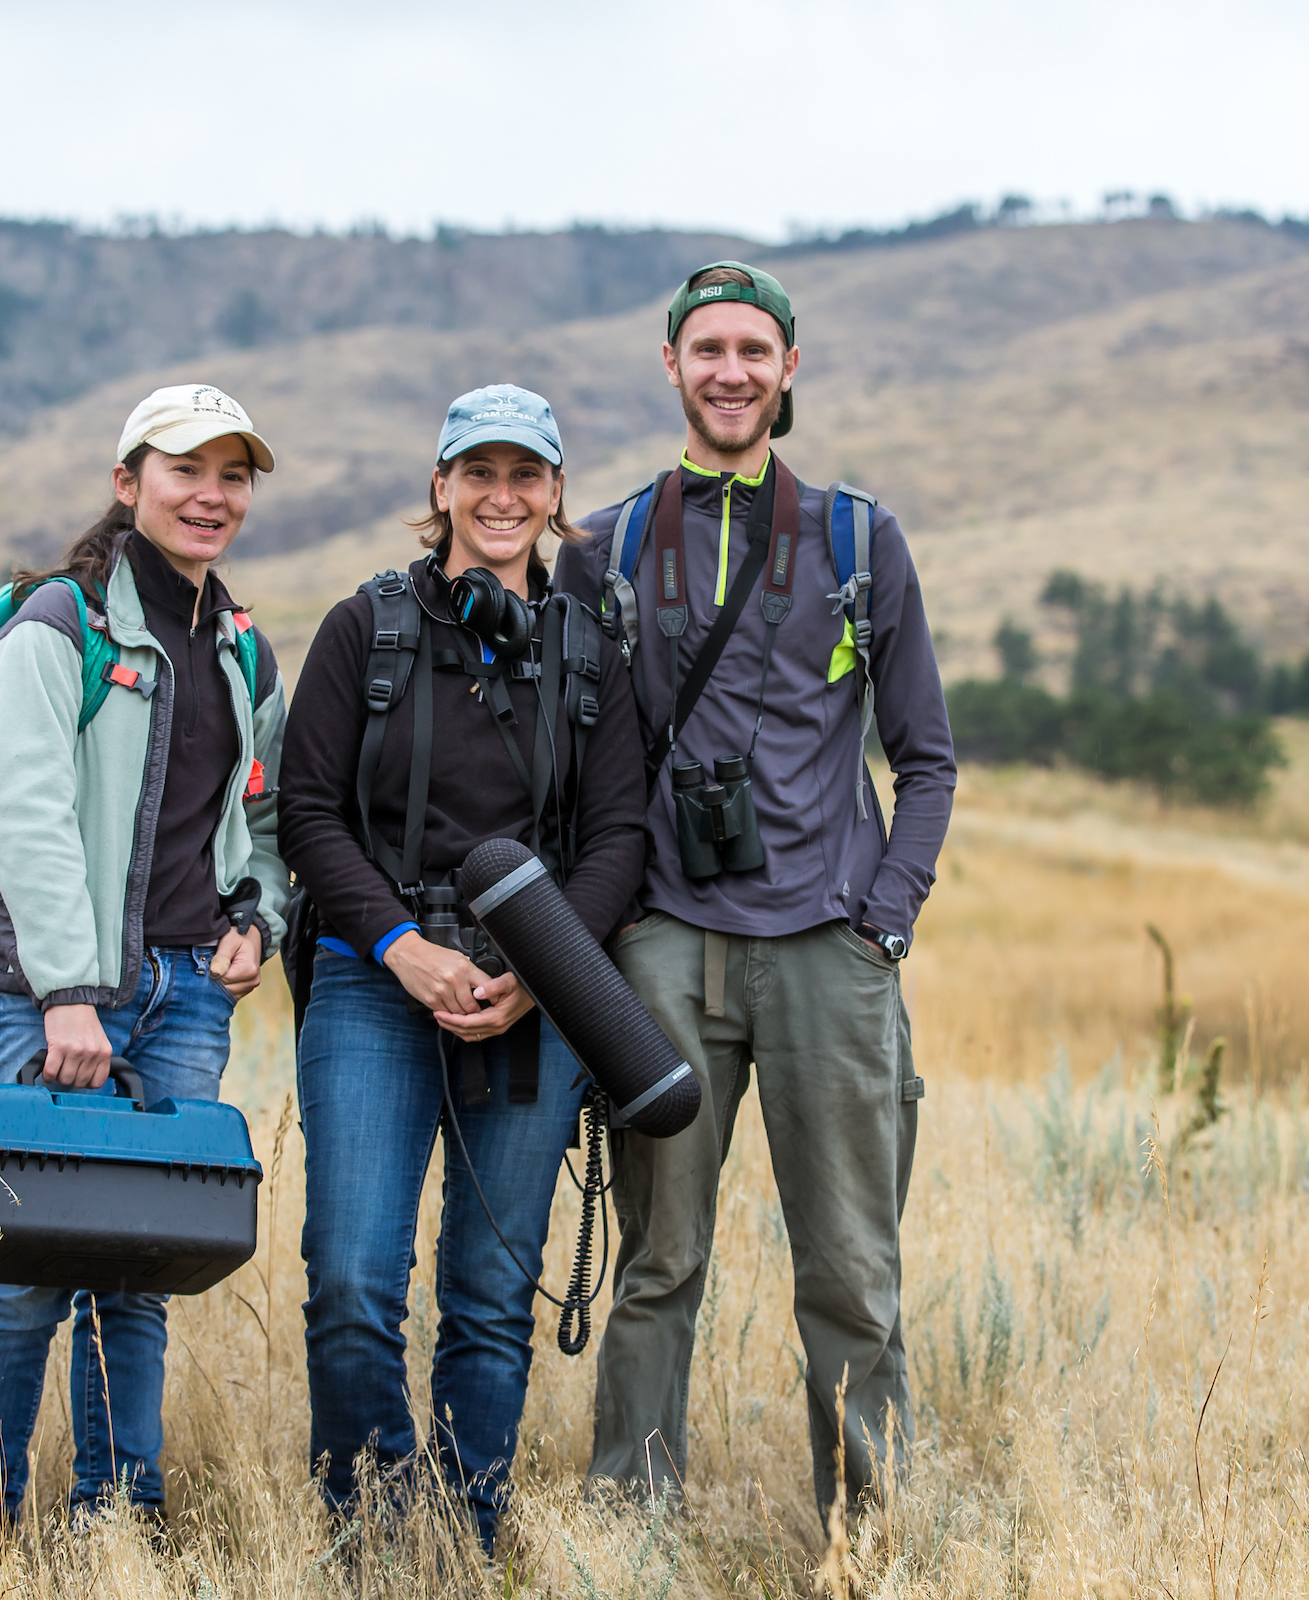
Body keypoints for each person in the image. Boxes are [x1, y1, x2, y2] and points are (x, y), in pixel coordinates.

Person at [551, 264, 957, 1518]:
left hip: (831, 947)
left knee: (850, 1266)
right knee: (658, 1260)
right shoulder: (605, 545)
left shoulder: (855, 537)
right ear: (669, 365)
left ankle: (865, 1531)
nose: (731, 370)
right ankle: (632, 1524)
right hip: (667, 944)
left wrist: (886, 914)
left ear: (790, 372)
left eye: (756, 350)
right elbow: (564, 761)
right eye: (708, 348)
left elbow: (927, 758)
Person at [277, 384, 647, 1551]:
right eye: (477, 473)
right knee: (349, 1283)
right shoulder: (363, 627)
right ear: (438, 487)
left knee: (491, 1299)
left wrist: (545, 971)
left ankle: (467, 1538)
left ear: (554, 496)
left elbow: (621, 835)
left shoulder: (593, 646)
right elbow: (306, 813)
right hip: (371, 981)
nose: (501, 496)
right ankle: (372, 1535)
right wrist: (401, 946)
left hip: (533, 996)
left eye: (525, 475)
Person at [0, 383, 291, 1532]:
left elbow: (264, 819)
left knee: (141, 1274)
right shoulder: (58, 625)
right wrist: (68, 994)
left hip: (188, 995)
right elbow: (28, 812)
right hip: (53, 1001)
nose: (212, 495)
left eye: (233, 475)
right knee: (21, 1274)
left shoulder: (240, 646)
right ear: (128, 481)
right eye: (188, 469)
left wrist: (259, 916)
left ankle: (118, 1522)